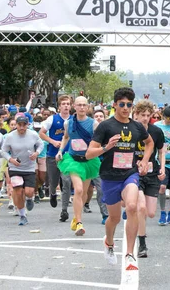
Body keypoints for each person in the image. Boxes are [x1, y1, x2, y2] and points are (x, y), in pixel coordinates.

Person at [86, 87, 154, 270]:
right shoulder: (106, 126)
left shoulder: (137, 126)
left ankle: (130, 255)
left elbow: (150, 143)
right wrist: (106, 147)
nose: (125, 108)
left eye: (129, 105)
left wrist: (144, 161)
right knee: (114, 218)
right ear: (115, 105)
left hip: (129, 174)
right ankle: (108, 242)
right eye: (122, 104)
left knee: (132, 207)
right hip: (109, 176)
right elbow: (88, 153)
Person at [56, 96, 100, 237]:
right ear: (74, 106)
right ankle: (80, 223)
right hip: (73, 160)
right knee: (79, 189)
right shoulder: (68, 123)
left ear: (88, 107)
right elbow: (66, 137)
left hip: (88, 161)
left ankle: (76, 218)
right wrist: (60, 151)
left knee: (85, 193)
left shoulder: (94, 124)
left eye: (84, 105)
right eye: (79, 105)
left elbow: (98, 142)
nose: (81, 107)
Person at [133, 100, 166, 258]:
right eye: (142, 115)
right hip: (134, 174)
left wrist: (162, 167)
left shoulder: (156, 131)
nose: (145, 118)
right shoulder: (130, 130)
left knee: (151, 212)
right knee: (141, 208)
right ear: (136, 115)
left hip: (151, 174)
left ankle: (139, 222)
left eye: (148, 115)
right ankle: (142, 244)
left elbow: (161, 150)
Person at [0, 116, 44, 226]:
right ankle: (22, 215)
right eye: (20, 125)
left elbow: (41, 144)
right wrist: (11, 159)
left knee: (29, 191)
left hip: (29, 167)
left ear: (28, 125)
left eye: (24, 125)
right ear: (16, 125)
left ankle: (29, 199)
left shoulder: (33, 134)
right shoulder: (10, 137)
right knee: (18, 192)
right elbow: (3, 151)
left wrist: (36, 153)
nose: (22, 127)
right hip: (15, 168)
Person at [39, 95, 72, 222]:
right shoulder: (52, 119)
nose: (66, 106)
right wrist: (52, 141)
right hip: (53, 155)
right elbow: (41, 133)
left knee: (67, 181)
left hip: (68, 155)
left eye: (68, 104)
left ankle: (64, 210)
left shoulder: (73, 120)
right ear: (59, 106)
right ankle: (52, 193)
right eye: (63, 104)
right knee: (53, 181)